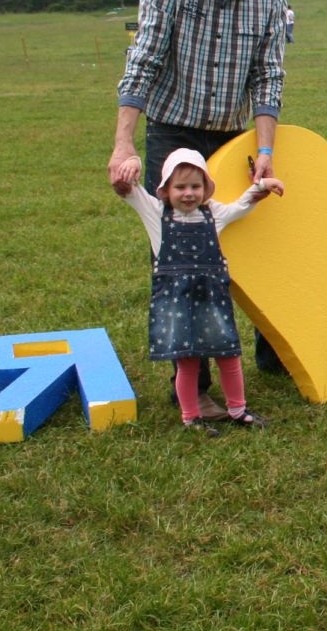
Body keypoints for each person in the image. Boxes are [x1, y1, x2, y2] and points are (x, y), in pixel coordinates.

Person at [109, 0, 289, 417]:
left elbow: (268, 78)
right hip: (173, 133)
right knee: (178, 259)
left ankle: (277, 352)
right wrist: (123, 143)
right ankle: (193, 381)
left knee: (254, 241)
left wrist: (265, 150)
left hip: (233, 136)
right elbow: (142, 64)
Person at [118, 148, 282, 435]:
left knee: (229, 355)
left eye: (196, 186)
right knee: (187, 361)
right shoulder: (156, 213)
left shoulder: (212, 213)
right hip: (177, 303)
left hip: (212, 299)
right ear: (166, 189)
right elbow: (127, 189)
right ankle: (190, 416)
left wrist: (261, 186)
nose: (188, 193)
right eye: (180, 187)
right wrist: (130, 164)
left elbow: (241, 206)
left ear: (205, 188)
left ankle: (238, 409)